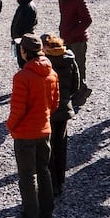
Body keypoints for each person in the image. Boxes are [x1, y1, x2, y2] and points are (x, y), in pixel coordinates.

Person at [4, 34, 59, 218]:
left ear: (24, 52)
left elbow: (18, 109)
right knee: (43, 170)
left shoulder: (22, 77)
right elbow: (54, 104)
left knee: (27, 176)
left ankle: (29, 216)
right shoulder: (51, 73)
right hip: (44, 130)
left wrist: (10, 126)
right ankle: (46, 211)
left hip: (26, 133)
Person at [40, 34, 79, 195]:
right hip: (64, 109)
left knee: (48, 148)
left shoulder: (45, 63)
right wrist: (66, 98)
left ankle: (52, 183)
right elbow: (76, 84)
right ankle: (61, 182)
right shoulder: (70, 59)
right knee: (61, 146)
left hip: (48, 110)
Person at [48, 0, 93, 106]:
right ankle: (74, 91)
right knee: (68, 66)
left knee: (79, 65)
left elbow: (88, 20)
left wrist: (73, 33)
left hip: (78, 40)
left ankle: (82, 90)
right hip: (66, 38)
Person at [10, 0, 37, 68]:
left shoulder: (28, 7)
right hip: (21, 40)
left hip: (24, 41)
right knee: (22, 63)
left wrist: (19, 39)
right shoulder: (24, 5)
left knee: (24, 63)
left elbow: (26, 27)